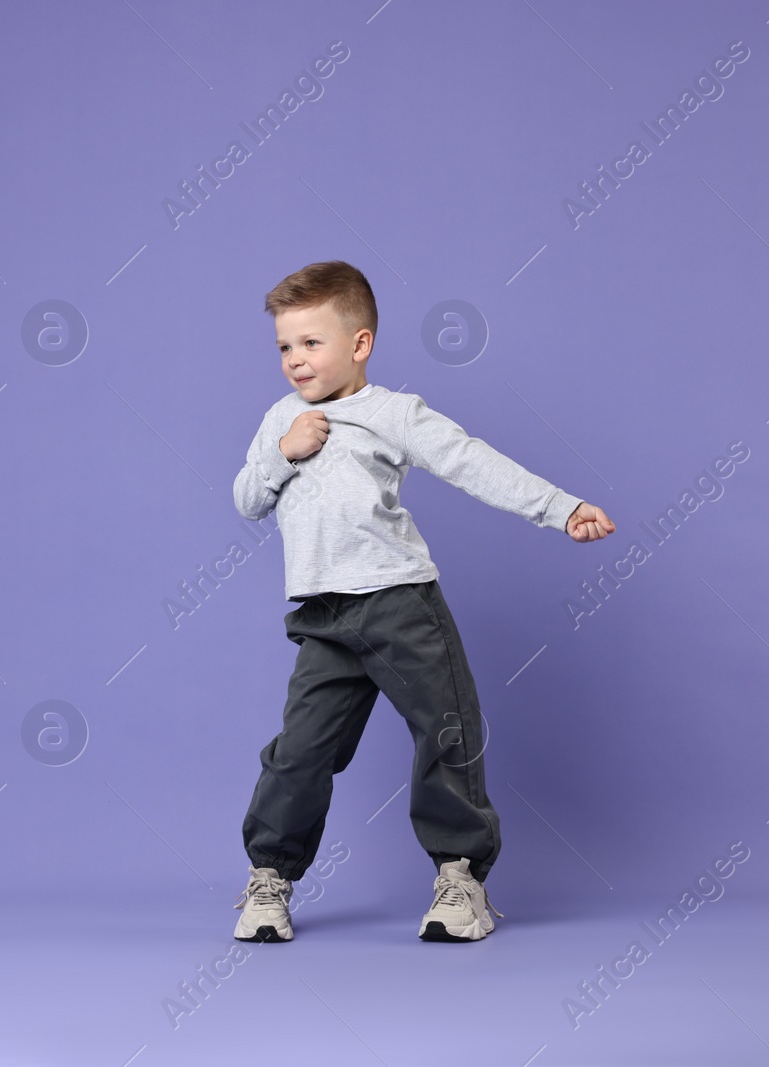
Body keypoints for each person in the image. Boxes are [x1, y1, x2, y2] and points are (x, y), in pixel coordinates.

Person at [229, 260, 614, 943]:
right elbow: (247, 501)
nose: (295, 360)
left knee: (446, 734)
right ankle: (269, 879)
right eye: (285, 346)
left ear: (360, 343)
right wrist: (282, 455)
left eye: (311, 343)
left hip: (400, 603)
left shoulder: (392, 413)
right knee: (299, 754)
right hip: (323, 619)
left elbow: (472, 462)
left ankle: (460, 878)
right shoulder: (281, 420)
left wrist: (562, 508)